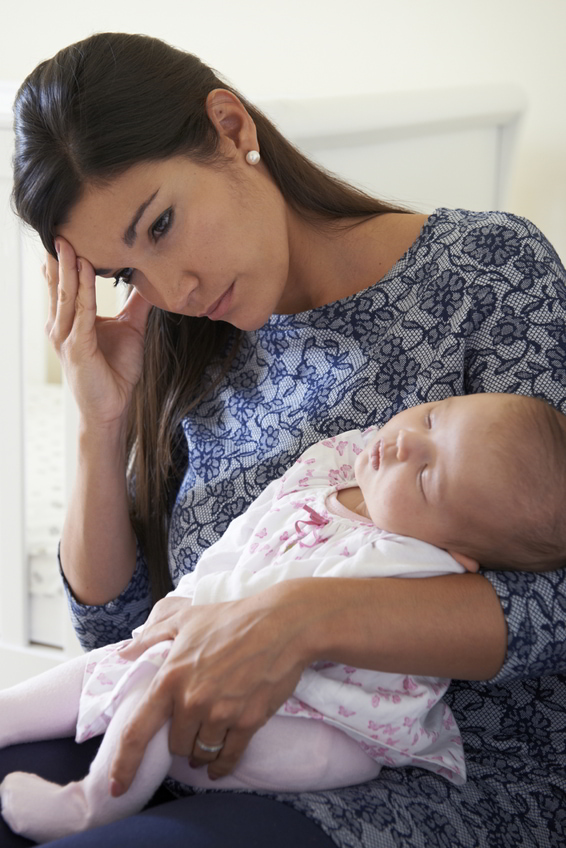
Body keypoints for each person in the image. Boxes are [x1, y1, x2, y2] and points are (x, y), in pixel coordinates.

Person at [3, 29, 565, 848]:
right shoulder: (186, 340)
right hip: (183, 736)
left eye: (160, 224)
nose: (174, 291)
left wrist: (299, 617)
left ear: (231, 130)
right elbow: (114, 636)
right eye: (127, 272)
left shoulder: (487, 270)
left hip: (434, 779)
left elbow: (558, 596)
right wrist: (101, 420)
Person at [2, 392, 565, 843]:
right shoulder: (330, 466)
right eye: (434, 420)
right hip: (206, 646)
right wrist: (187, 595)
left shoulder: (418, 561)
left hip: (323, 724)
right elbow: (241, 536)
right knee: (117, 658)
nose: (404, 445)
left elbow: (274, 603)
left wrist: (203, 621)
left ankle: (90, 805)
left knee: (160, 682)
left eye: (425, 477)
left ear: (461, 554)